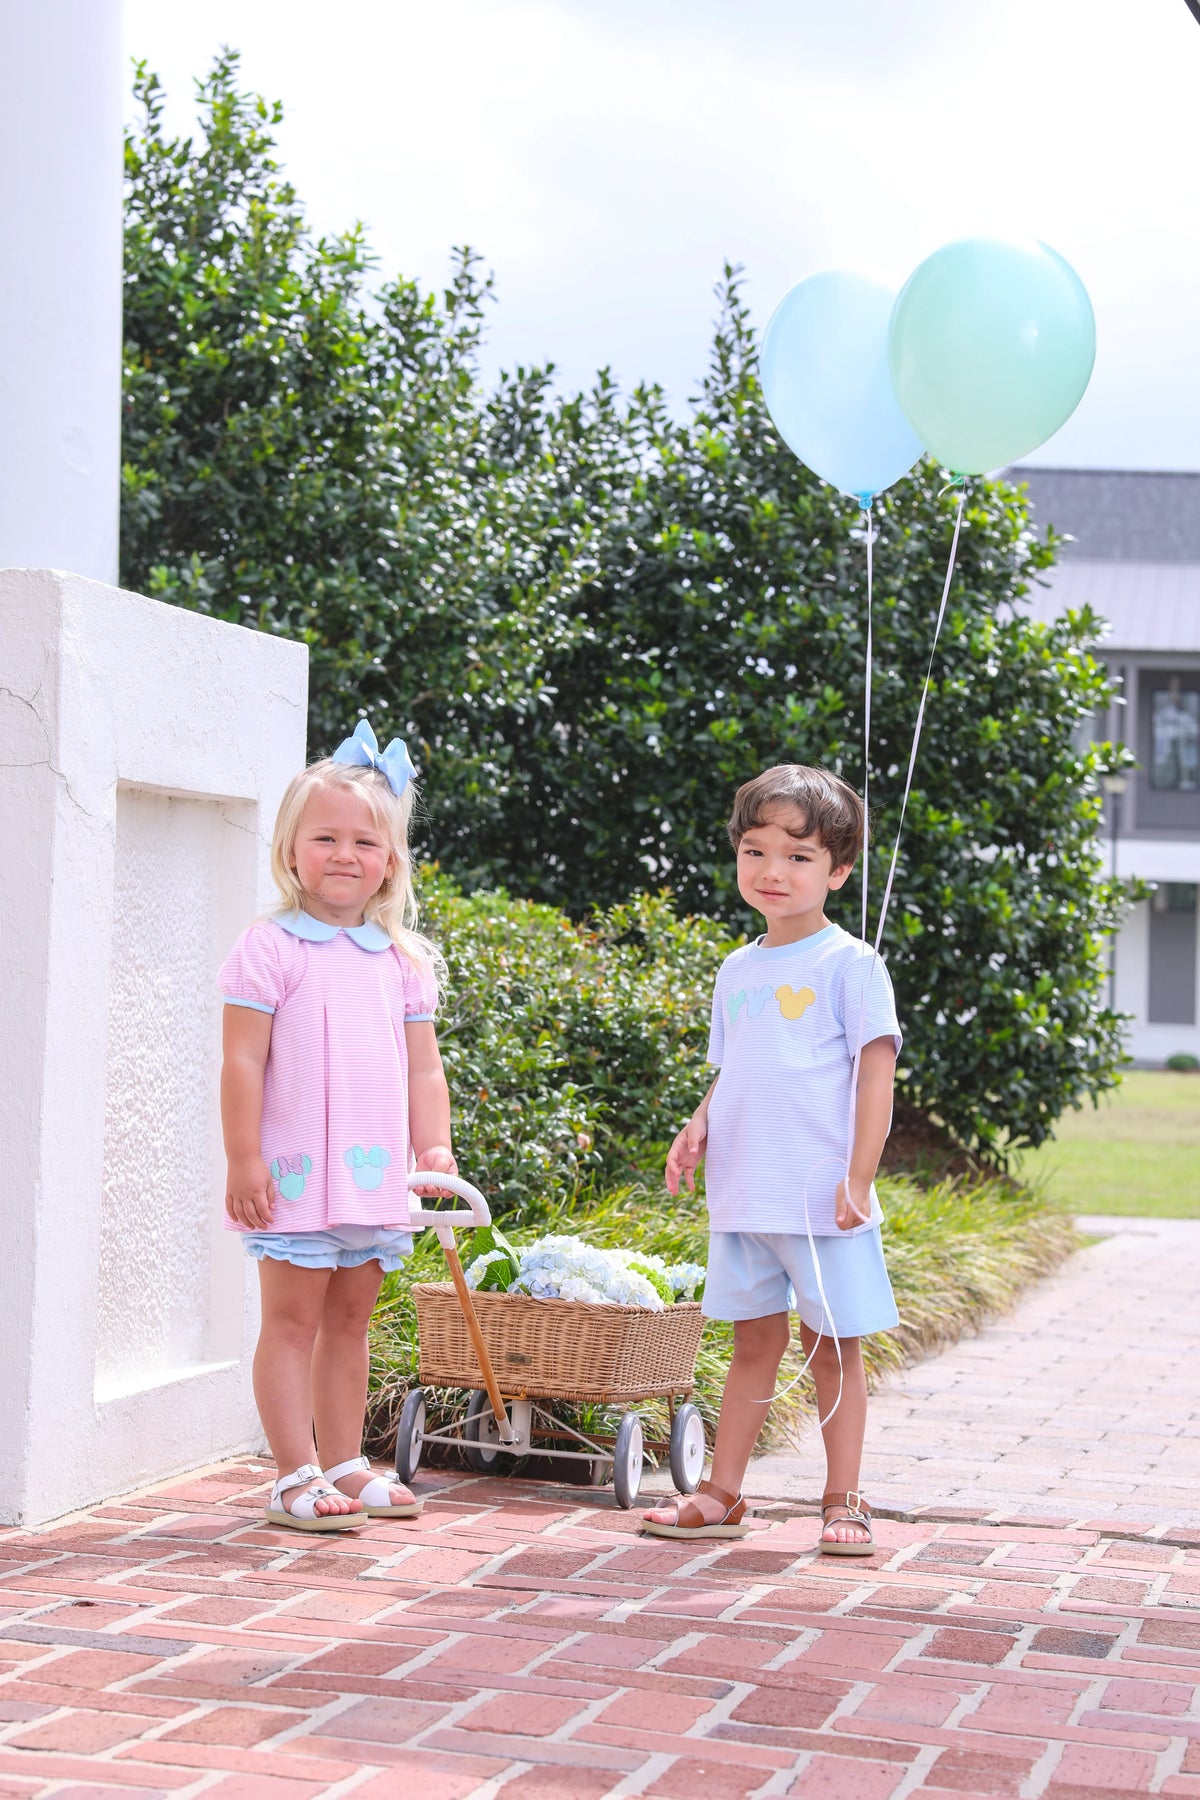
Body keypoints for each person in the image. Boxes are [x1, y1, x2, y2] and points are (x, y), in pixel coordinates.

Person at [642, 765, 901, 1553]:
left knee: (833, 1350)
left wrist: (859, 1176)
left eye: (798, 856)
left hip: (822, 1200)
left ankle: (844, 1497)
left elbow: (876, 1076)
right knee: (753, 1344)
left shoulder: (850, 965)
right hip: (746, 1195)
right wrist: (698, 1124)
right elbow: (738, 1069)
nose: (772, 871)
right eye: (755, 851)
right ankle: (722, 1493)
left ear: (839, 870)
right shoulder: (737, 968)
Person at [219, 720, 456, 1531]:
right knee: (292, 1323)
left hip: (371, 1176)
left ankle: (347, 1461)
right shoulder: (269, 949)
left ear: (390, 859)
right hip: (291, 1176)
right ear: (291, 851)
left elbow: (424, 1070)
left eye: (364, 842)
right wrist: (243, 1158)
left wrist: (434, 1145)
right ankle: (294, 1473)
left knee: (351, 1323)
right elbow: (242, 1061)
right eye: (325, 838)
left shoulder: (401, 961)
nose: (344, 855)